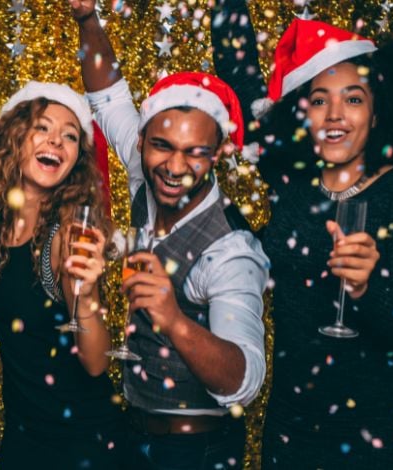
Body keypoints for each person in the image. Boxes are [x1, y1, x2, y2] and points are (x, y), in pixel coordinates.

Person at [225, 18, 393, 468]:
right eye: (319, 100)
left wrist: (366, 288)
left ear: (376, 113)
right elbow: (269, 256)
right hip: (292, 431)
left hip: (379, 437)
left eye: (354, 99)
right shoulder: (296, 191)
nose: (335, 115)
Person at [71, 1, 269, 469]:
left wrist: (174, 319)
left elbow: (245, 380)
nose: (175, 167)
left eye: (194, 153)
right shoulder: (146, 173)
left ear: (218, 153)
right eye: (162, 146)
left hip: (195, 451)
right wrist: (87, 18)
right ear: (142, 141)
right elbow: (109, 97)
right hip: (131, 433)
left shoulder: (231, 250)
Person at [0, 81, 124, 469]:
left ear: (76, 159)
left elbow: (96, 363)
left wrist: (86, 295)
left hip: (81, 443)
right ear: (14, 137)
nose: (56, 141)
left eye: (70, 135)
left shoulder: (67, 234)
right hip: (24, 435)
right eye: (42, 127)